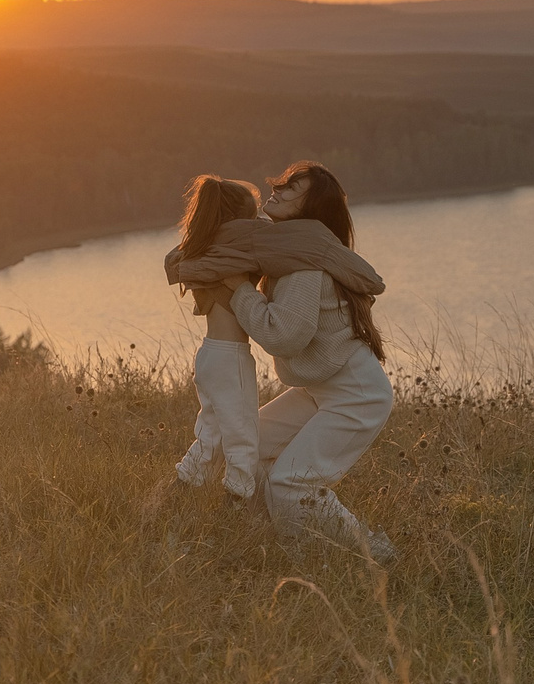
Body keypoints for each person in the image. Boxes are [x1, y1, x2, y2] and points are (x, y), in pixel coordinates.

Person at [174, 161, 395, 561]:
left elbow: (284, 337)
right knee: (247, 449)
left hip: (355, 394)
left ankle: (371, 555)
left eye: (293, 189)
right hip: (320, 389)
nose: (277, 190)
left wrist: (239, 288)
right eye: (282, 184)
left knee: (291, 482)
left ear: (311, 206)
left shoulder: (303, 266)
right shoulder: (290, 248)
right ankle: (273, 545)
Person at [168, 175, 264, 497]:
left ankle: (175, 498)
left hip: (209, 356)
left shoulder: (201, 250)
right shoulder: (240, 250)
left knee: (212, 437)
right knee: (243, 439)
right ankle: (238, 506)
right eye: (254, 214)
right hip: (230, 356)